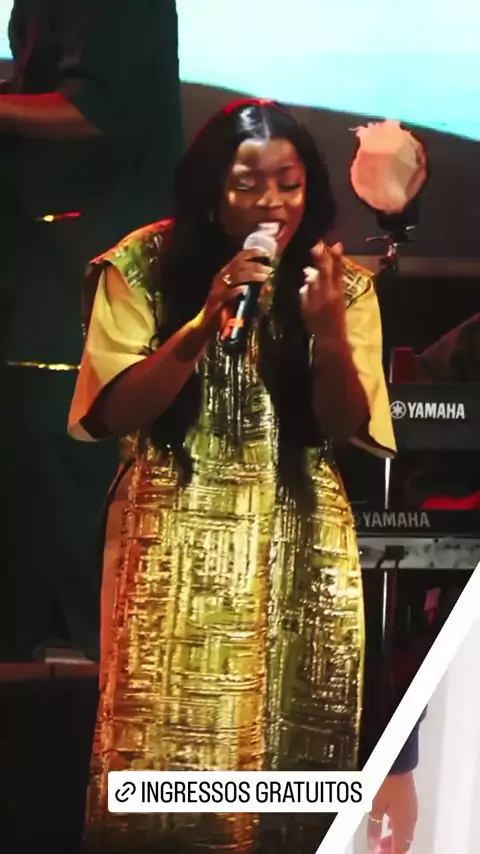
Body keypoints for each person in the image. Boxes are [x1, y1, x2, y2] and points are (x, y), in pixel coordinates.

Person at [69, 99, 396, 854]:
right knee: (164, 742)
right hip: (174, 538)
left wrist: (327, 335)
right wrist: (201, 322)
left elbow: (344, 426)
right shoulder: (141, 265)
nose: (272, 203)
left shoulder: (341, 286)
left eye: (289, 183)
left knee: (293, 743)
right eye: (249, 185)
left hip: (298, 539)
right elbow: (114, 413)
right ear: (211, 191)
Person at [0, 0, 183, 661]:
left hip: (87, 271)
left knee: (71, 459)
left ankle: (96, 668)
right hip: (39, 266)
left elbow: (94, 110)